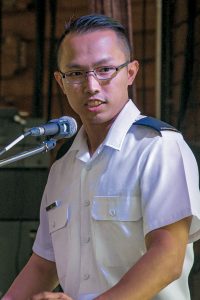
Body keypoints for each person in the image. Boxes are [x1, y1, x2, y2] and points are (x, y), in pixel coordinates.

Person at [3, 14, 200, 300]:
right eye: (76, 73)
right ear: (60, 81)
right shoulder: (62, 166)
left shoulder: (158, 148)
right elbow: (44, 265)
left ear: (131, 72)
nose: (91, 85)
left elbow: (168, 256)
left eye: (105, 69)